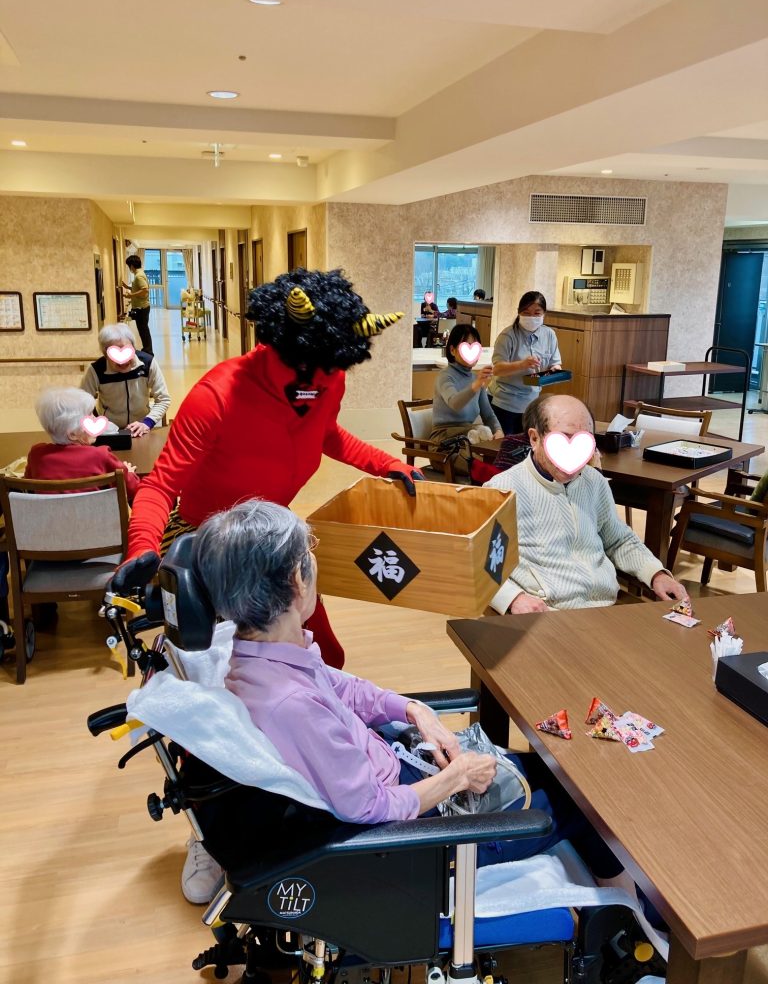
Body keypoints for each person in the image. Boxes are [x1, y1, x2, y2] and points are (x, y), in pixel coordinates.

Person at [194, 498, 628, 884]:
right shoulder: (289, 704)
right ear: (297, 581)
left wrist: (414, 710)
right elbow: (369, 808)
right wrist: (456, 777)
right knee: (586, 802)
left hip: (401, 768)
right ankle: (626, 915)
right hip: (416, 839)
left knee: (552, 772)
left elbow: (346, 689)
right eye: (309, 553)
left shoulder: (263, 657)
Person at [111, 268, 423, 673]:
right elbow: (161, 486)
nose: (318, 379)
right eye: (307, 365)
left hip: (272, 531)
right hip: (207, 537)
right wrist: (142, 548)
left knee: (324, 653)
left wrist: (388, 463)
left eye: (330, 368)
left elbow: (326, 433)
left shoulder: (330, 377)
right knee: (222, 665)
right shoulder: (217, 395)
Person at [484, 395, 688, 614]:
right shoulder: (501, 489)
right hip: (547, 611)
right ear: (535, 438)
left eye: (583, 441)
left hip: (606, 606)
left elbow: (618, 540)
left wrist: (656, 574)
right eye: (563, 438)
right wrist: (512, 598)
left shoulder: (594, 481)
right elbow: (482, 562)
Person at [26, 387, 141, 502]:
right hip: (97, 514)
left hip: (49, 514)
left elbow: (29, 489)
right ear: (73, 434)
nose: (95, 419)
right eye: (90, 416)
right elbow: (132, 489)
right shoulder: (101, 456)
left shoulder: (36, 454)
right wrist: (129, 472)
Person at [430, 324, 503, 476]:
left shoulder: (476, 379)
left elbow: (488, 415)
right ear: (452, 350)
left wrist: (498, 431)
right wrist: (476, 385)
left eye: (475, 346)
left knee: (503, 464)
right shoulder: (445, 376)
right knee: (487, 471)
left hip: (469, 441)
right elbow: (455, 403)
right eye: (466, 346)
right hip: (445, 446)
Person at [489, 291, 561, 436]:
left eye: (537, 313)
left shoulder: (549, 335)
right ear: (519, 312)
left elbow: (555, 364)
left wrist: (554, 372)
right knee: (504, 446)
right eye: (526, 313)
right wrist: (523, 364)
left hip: (531, 403)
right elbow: (497, 369)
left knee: (527, 445)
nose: (532, 317)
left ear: (544, 314)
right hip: (504, 401)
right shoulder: (508, 336)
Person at [80, 324, 170, 437]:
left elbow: (163, 399)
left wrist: (147, 423)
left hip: (142, 429)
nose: (123, 361)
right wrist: (96, 422)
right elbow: (81, 404)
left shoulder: (148, 363)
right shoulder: (96, 370)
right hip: (109, 432)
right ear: (105, 354)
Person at [121, 254, 153, 354]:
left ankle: (148, 351)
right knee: (143, 330)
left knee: (143, 331)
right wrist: (127, 287)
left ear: (131, 266)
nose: (129, 268)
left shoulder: (139, 276)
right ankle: (147, 349)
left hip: (142, 308)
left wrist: (131, 295)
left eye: (128, 266)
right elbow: (139, 288)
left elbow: (144, 290)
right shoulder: (140, 273)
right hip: (143, 307)